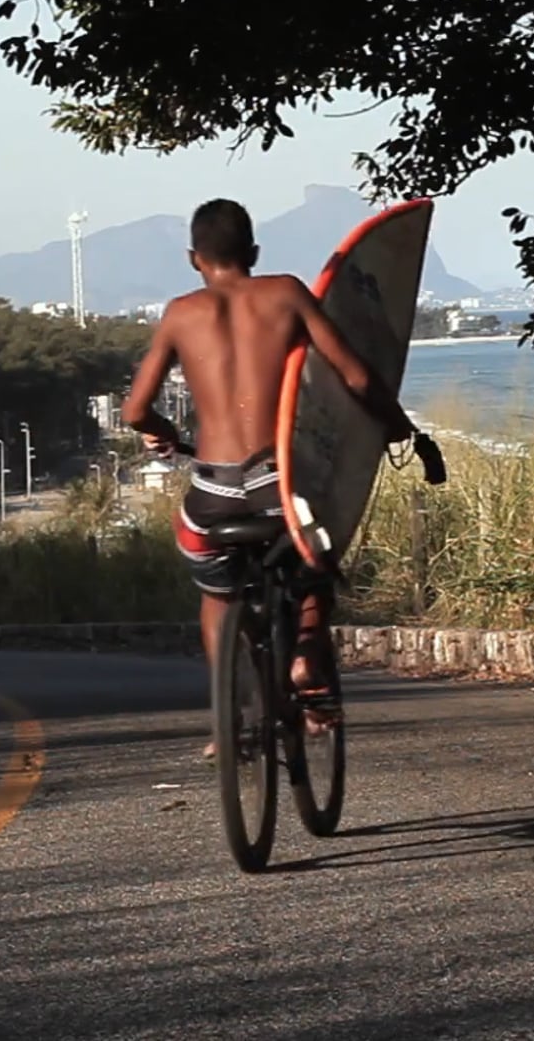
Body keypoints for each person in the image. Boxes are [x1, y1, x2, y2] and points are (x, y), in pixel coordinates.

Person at [121, 198, 418, 756]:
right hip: (277, 484)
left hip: (214, 489)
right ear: (253, 252)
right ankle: (306, 654)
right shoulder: (284, 292)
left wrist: (162, 432)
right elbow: (355, 377)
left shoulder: (180, 313)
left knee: (215, 590)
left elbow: (135, 410)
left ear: (194, 258)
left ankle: (227, 723)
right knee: (316, 558)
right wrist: (400, 428)